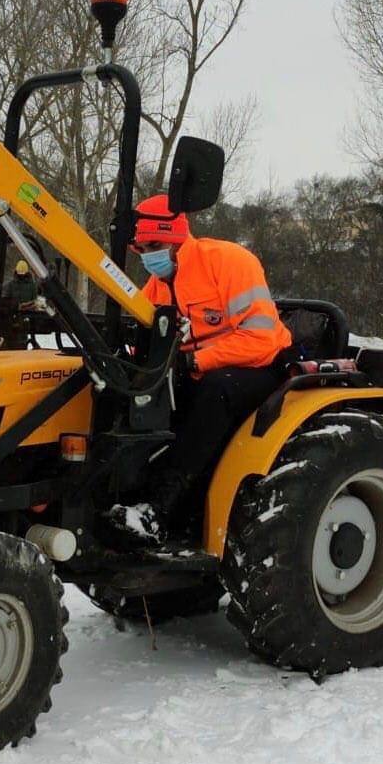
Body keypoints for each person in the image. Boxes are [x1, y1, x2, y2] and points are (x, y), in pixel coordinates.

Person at [108, 193, 292, 540]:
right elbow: (146, 332)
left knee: (214, 391)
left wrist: (193, 360)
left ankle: (161, 506)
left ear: (176, 238)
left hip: (260, 367)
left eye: (154, 246)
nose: (149, 257)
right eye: (142, 250)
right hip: (198, 370)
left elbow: (261, 339)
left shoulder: (228, 262)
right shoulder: (158, 284)